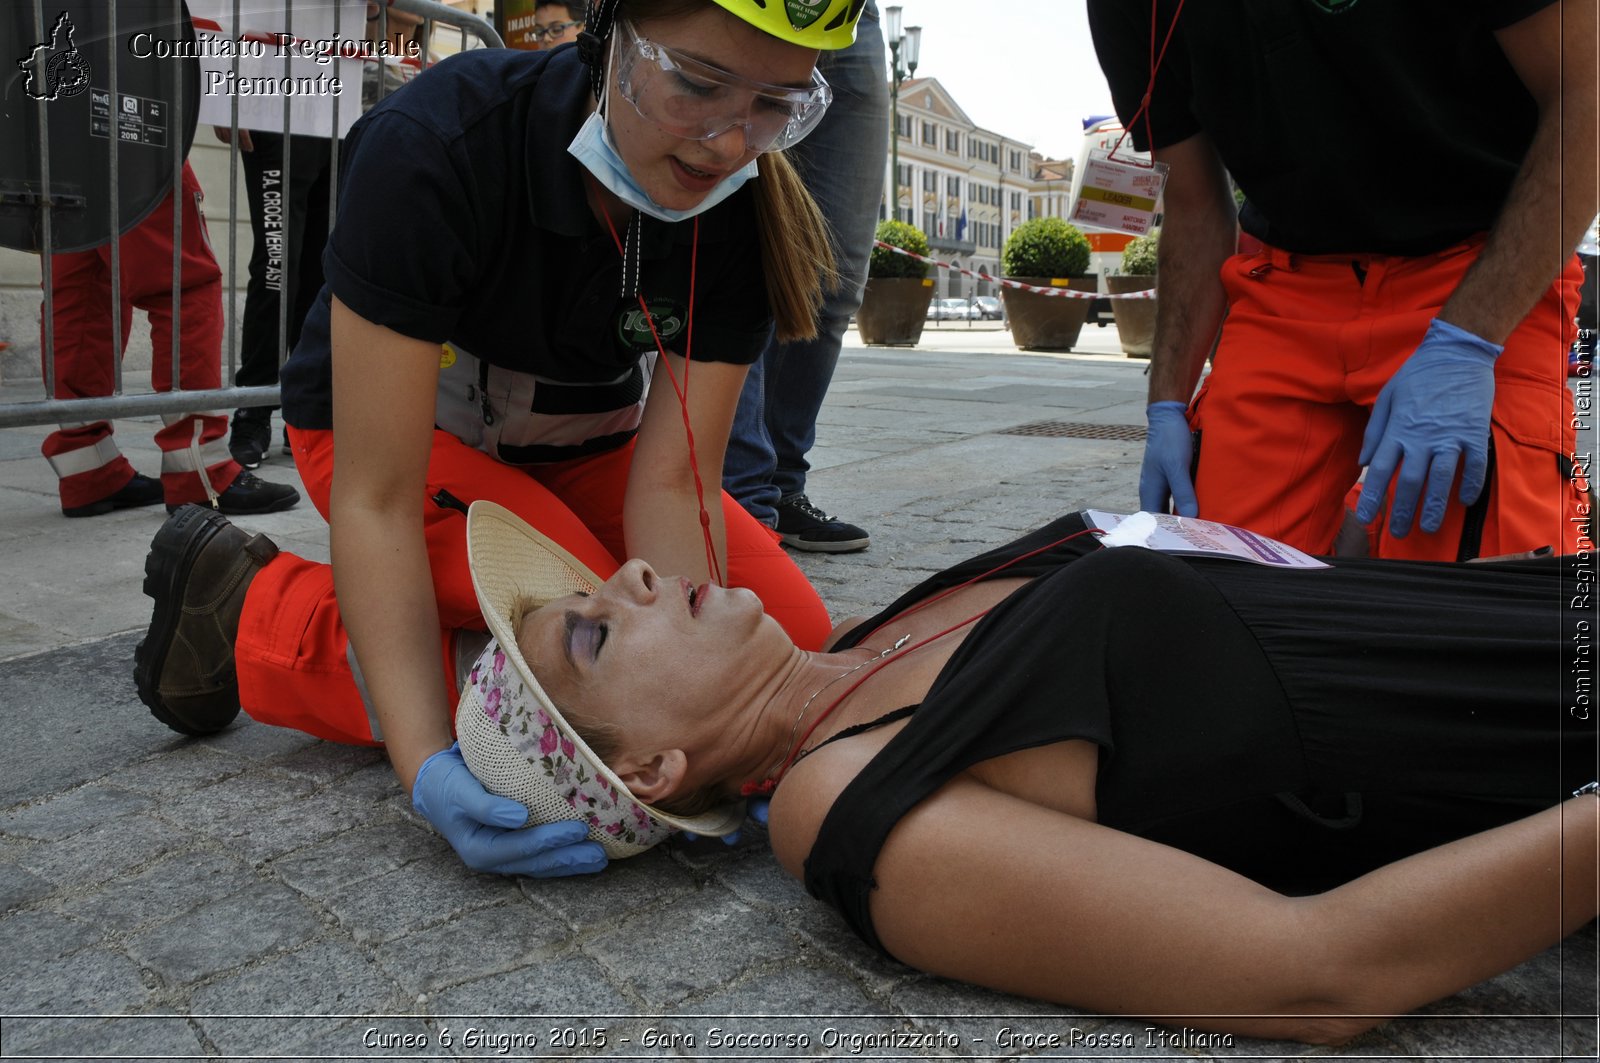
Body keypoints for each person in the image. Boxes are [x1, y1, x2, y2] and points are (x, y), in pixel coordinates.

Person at [133, 0, 865, 878]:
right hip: (392, 439)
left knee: (786, 633)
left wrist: (707, 698)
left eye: (776, 106)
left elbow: (676, 484)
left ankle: (344, 617)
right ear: (611, 32)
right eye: (698, 85)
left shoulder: (746, 208)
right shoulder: (435, 140)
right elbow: (379, 497)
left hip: (588, 442)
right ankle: (256, 611)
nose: (727, 143)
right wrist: (425, 761)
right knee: (582, 627)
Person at [456, 501, 1594, 1044]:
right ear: (653, 770)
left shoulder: (878, 633)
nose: (636, 574)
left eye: (596, 582)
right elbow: (1316, 977)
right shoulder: (837, 798)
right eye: (595, 633)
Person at [1087, 0, 1597, 561]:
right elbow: (1194, 207)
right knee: (1219, 581)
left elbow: (1587, 94)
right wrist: (1167, 403)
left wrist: (1468, 341)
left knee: (1475, 597)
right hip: (1286, 287)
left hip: (1478, 271)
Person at [40, 161, 302, 517]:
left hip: (46, 134)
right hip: (128, 124)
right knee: (185, 278)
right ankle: (199, 471)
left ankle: (89, 471)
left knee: (81, 287)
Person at [721, 1, 886, 553]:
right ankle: (743, 500)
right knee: (740, 263)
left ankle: (782, 488)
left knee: (832, 280)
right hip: (744, 7)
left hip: (852, 16)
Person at [214, 123, 333, 469]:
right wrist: (222, 100)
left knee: (321, 272)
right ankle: (254, 409)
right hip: (276, 113)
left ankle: (306, 416)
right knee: (276, 267)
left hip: (337, 119)